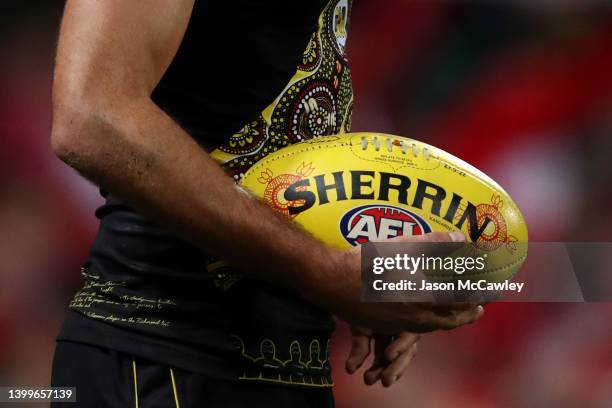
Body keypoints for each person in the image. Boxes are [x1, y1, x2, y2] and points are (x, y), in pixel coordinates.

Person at [50, 0, 483, 406]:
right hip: (161, 359)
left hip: (289, 369)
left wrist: (351, 266)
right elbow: (91, 117)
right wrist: (322, 268)